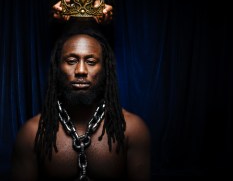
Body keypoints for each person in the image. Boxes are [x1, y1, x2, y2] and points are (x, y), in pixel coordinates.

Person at [11, 19, 151, 181]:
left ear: (106, 69)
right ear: (57, 68)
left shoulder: (132, 130)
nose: (81, 71)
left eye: (91, 62)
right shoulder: (32, 134)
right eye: (71, 61)